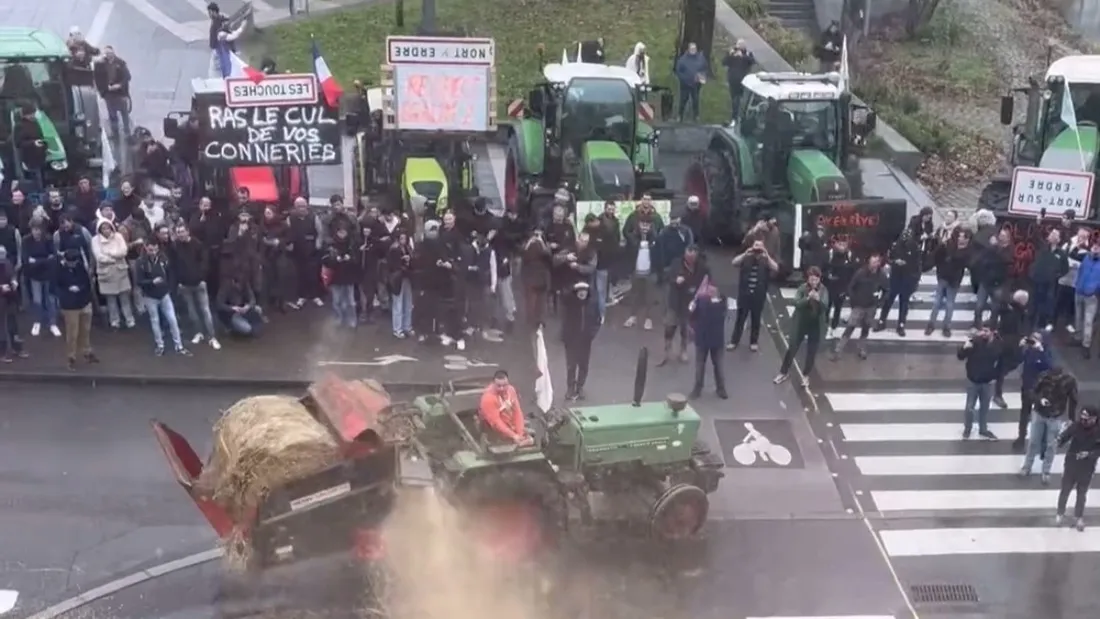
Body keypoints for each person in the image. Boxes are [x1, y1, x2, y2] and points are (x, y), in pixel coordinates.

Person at [1020, 364, 1078, 483]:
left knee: (1051, 445)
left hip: (1055, 416)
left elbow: (1073, 399)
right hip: (1039, 413)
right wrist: (1039, 400)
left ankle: (1046, 471)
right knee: (1034, 441)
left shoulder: (1069, 381)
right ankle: (1027, 466)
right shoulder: (1043, 377)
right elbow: (1032, 392)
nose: (1054, 379)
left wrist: (1071, 418)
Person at [135, 238, 190, 356]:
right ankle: (160, 345)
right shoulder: (141, 262)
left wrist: (169, 288)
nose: (153, 252)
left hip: (164, 294)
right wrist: (151, 282)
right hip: (150, 296)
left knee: (172, 319)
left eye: (155, 249)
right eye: (150, 250)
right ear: (146, 248)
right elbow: (139, 281)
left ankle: (179, 345)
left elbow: (171, 274)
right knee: (155, 321)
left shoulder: (164, 259)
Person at [775, 266, 828, 386]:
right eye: (811, 279)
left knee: (811, 351)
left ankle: (806, 375)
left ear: (819, 279)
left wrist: (819, 300)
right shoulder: (803, 288)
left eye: (816, 279)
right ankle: (783, 372)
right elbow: (796, 303)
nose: (814, 282)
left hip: (815, 325)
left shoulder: (823, 290)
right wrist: (808, 298)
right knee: (793, 346)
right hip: (801, 323)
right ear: (808, 279)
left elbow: (825, 306)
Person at [172, 224, 220, 350]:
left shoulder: (198, 244)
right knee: (192, 311)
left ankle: (212, 337)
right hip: (184, 285)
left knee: (205, 311)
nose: (180, 234)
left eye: (182, 231)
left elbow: (205, 263)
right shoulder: (176, 246)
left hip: (199, 284)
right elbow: (175, 265)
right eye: (178, 232)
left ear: (188, 232)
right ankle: (198, 332)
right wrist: (179, 281)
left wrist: (201, 278)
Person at [831, 254, 887, 361]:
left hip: (871, 307)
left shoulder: (881, 276)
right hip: (859, 306)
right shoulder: (861, 273)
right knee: (850, 327)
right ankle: (838, 351)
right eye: (872, 262)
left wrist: (880, 302)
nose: (874, 265)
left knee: (865, 329)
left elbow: (886, 290)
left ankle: (862, 349)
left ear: (879, 263)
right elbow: (851, 286)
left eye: (876, 262)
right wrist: (854, 300)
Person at [660, 244, 708, 366]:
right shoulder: (677, 263)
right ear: (685, 253)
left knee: (685, 327)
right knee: (670, 325)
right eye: (688, 252)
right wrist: (675, 280)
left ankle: (683, 350)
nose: (691, 256)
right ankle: (667, 347)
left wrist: (701, 293)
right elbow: (668, 276)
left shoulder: (701, 266)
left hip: (690, 302)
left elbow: (707, 280)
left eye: (693, 253)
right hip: (675, 300)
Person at [729, 238, 778, 351]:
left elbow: (776, 268)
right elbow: (734, 262)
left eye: (760, 246)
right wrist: (746, 253)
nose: (757, 249)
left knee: (756, 319)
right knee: (740, 319)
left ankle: (754, 342)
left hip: (758, 295)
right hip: (744, 294)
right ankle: (734, 341)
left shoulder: (765, 259)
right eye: (756, 245)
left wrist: (766, 254)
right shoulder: (747, 257)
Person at [1055, 406, 1100, 531]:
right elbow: (1065, 436)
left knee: (1082, 494)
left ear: (1094, 418)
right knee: (1065, 490)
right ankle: (1060, 513)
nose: (1084, 421)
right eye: (1082, 417)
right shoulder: (1076, 426)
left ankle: (1078, 516)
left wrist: (1089, 454)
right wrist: (1059, 439)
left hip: (1087, 467)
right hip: (1071, 464)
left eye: (1087, 418)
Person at [925, 230, 974, 337]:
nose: (959, 238)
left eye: (962, 237)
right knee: (937, 302)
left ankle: (946, 326)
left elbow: (964, 262)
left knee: (949, 304)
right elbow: (939, 255)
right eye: (959, 236)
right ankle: (931, 324)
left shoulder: (968, 251)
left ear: (967, 239)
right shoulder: (950, 246)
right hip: (943, 277)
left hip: (954, 280)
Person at [55, 249, 98, 370]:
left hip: (84, 302)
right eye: (70, 262)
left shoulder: (80, 267)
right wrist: (69, 289)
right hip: (70, 305)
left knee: (86, 330)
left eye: (74, 262)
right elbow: (56, 286)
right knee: (72, 333)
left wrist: (80, 288)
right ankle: (71, 357)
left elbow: (86, 282)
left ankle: (87, 352)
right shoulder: (59, 270)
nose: (73, 264)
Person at [957, 325, 1001, 440]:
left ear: (992, 332)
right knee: (970, 407)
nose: (983, 333)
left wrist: (995, 376)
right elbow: (960, 356)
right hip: (973, 380)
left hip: (987, 382)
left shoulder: (997, 344)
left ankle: (983, 429)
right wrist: (964, 347)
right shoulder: (975, 342)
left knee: (985, 407)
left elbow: (1000, 361)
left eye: (986, 331)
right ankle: (967, 428)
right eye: (982, 330)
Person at [91, 219, 136, 329]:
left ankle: (130, 320)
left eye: (108, 227)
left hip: (120, 271)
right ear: (99, 230)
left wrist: (110, 253)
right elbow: (99, 257)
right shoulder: (95, 240)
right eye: (103, 228)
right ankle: (114, 321)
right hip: (106, 273)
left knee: (125, 298)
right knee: (111, 300)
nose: (106, 230)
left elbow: (123, 251)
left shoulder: (118, 236)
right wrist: (113, 259)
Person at [875, 229, 921, 336]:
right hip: (895, 277)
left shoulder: (915, 248)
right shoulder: (895, 246)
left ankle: (901, 324)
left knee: (904, 303)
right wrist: (895, 262)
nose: (905, 239)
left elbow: (917, 264)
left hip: (907, 278)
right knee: (888, 300)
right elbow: (888, 259)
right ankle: (882, 321)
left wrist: (915, 279)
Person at [1013, 329, 1053, 450]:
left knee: (1042, 416)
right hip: (1027, 387)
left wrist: (1041, 351)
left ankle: (1043, 442)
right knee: (1024, 414)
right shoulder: (1028, 350)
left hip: (1040, 390)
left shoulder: (1046, 351)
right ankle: (1021, 437)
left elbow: (1050, 366)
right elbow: (1017, 360)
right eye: (1032, 337)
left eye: (1037, 338)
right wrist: (1020, 347)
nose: (1033, 341)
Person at [561, 281, 600, 400]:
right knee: (571, 365)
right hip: (571, 341)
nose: (582, 293)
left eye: (584, 291)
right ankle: (570, 388)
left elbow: (596, 321)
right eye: (580, 291)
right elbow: (564, 299)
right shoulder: (570, 303)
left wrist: (591, 335)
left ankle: (580, 387)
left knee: (583, 365)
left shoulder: (592, 304)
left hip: (585, 341)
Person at [689, 284, 729, 400]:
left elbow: (716, 310)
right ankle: (698, 388)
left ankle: (720, 388)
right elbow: (693, 314)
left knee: (718, 365)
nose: (710, 292)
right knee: (700, 365)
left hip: (714, 339)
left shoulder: (719, 303)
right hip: (703, 338)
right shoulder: (702, 301)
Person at [22, 220, 60, 337]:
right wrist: (44, 260)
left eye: (39, 229)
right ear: (31, 230)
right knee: (37, 300)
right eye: (35, 229)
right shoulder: (26, 241)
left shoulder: (48, 240)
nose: (37, 232)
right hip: (34, 276)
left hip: (48, 275)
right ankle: (37, 322)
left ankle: (53, 324)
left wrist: (37, 261)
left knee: (50, 299)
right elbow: (27, 260)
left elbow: (53, 258)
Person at [992, 289, 1028, 409]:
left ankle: (997, 378)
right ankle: (997, 393)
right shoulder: (1011, 311)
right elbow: (1010, 328)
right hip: (1008, 344)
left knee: (1009, 365)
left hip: (1011, 343)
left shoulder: (1017, 310)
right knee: (1005, 367)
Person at [622, 218, 661, 330]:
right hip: (636, 271)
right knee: (635, 295)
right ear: (638, 225)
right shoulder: (633, 238)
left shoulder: (655, 239)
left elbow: (659, 254)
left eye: (647, 225)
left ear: (651, 226)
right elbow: (628, 253)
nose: (644, 227)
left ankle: (649, 319)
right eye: (642, 225)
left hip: (650, 271)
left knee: (650, 297)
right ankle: (632, 317)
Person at [478, 370, 532, 446]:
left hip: (510, 426)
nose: (502, 388)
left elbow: (517, 413)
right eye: (498, 386)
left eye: (504, 385)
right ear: (493, 384)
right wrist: (513, 435)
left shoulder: (511, 390)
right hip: (494, 432)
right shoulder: (488, 398)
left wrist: (520, 433)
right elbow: (496, 422)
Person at [323, 224, 361, 329]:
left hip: (349, 277)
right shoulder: (330, 245)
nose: (342, 235)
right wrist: (335, 259)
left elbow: (357, 260)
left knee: (350, 302)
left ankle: (351, 321)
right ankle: (338, 319)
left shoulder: (352, 245)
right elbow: (325, 261)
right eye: (340, 232)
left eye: (344, 232)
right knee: (337, 301)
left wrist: (350, 258)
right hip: (335, 278)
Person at [1029, 227, 1068, 330]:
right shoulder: (1043, 247)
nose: (1051, 235)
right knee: (1034, 303)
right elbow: (1035, 237)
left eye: (1055, 234)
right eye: (1051, 234)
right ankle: (1029, 325)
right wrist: (1038, 224)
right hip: (1037, 280)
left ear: (1059, 239)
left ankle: (1042, 326)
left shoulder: (1061, 254)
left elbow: (1065, 268)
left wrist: (1056, 276)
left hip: (1049, 283)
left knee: (1046, 304)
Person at [93, 46, 131, 139]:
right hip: (108, 93)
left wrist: (119, 85)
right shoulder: (101, 65)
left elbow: (127, 77)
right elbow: (97, 77)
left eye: (110, 53)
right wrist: (103, 90)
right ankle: (115, 133)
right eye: (106, 53)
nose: (109, 55)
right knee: (112, 114)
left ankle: (127, 133)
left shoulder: (120, 63)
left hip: (120, 93)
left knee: (124, 113)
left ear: (113, 53)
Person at [521, 227, 553, 331]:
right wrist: (531, 242)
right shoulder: (528, 245)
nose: (537, 237)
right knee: (531, 301)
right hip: (531, 277)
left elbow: (548, 256)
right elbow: (523, 254)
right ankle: (531, 321)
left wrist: (542, 243)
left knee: (542, 301)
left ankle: (540, 321)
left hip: (542, 277)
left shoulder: (545, 246)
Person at [823, 236, 855, 337]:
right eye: (840, 244)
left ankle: (833, 327)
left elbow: (851, 273)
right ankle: (824, 326)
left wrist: (847, 289)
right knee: (826, 308)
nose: (842, 246)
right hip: (829, 286)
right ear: (835, 244)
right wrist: (827, 276)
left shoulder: (849, 256)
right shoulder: (829, 254)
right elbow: (822, 268)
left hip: (841, 287)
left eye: (844, 244)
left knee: (838, 308)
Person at [215, 270, 263, 337]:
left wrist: (247, 306)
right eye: (239, 285)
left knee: (258, 309)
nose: (240, 287)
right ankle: (230, 328)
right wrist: (232, 308)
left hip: (242, 310)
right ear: (234, 282)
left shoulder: (245, 285)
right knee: (246, 329)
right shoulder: (225, 287)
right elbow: (219, 304)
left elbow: (252, 299)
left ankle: (250, 328)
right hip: (230, 314)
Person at [1074, 238, 1100, 358]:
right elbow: (1081, 271)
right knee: (1078, 317)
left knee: (1088, 321)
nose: (1095, 248)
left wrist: (1095, 291)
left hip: (1091, 296)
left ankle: (1086, 345)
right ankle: (1078, 337)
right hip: (1079, 292)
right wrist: (1077, 284)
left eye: (1098, 246)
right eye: (1094, 246)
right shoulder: (1086, 258)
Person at [386, 230, 415, 338]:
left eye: (405, 238)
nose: (403, 240)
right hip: (397, 278)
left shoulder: (408, 248)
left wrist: (409, 260)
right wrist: (403, 261)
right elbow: (392, 265)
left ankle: (407, 326)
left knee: (408, 303)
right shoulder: (394, 249)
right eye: (401, 238)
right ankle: (397, 329)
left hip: (406, 277)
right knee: (398, 304)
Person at [0, 246, 26, 362]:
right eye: (0, 254)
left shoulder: (7, 262)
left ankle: (17, 348)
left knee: (13, 323)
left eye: (3, 253)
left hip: (10, 297)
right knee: (1, 327)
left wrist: (14, 281)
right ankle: (2, 353)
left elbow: (13, 274)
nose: (2, 256)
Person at [674, 42, 707, 122]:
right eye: (692, 49)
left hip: (696, 84)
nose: (693, 50)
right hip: (685, 84)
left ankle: (696, 116)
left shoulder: (700, 58)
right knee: (683, 100)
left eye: (694, 49)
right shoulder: (683, 59)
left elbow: (705, 69)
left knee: (695, 100)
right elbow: (678, 71)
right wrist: (684, 79)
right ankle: (680, 115)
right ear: (688, 50)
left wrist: (701, 76)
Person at [721, 40, 755, 117]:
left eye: (742, 45)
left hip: (743, 80)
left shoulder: (747, 53)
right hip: (733, 79)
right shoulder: (732, 53)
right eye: (738, 45)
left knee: (742, 99)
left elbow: (752, 61)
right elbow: (723, 62)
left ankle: (741, 115)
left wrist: (742, 56)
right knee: (734, 99)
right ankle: (734, 116)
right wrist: (730, 55)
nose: (739, 47)